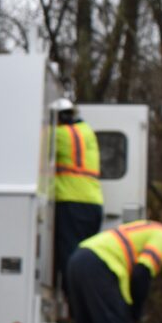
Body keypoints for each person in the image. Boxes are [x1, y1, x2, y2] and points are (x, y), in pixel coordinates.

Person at [52, 98, 104, 292]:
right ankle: (85, 295)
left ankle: (73, 299)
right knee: (85, 257)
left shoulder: (59, 135)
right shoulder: (87, 132)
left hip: (72, 201)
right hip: (93, 202)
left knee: (69, 256)